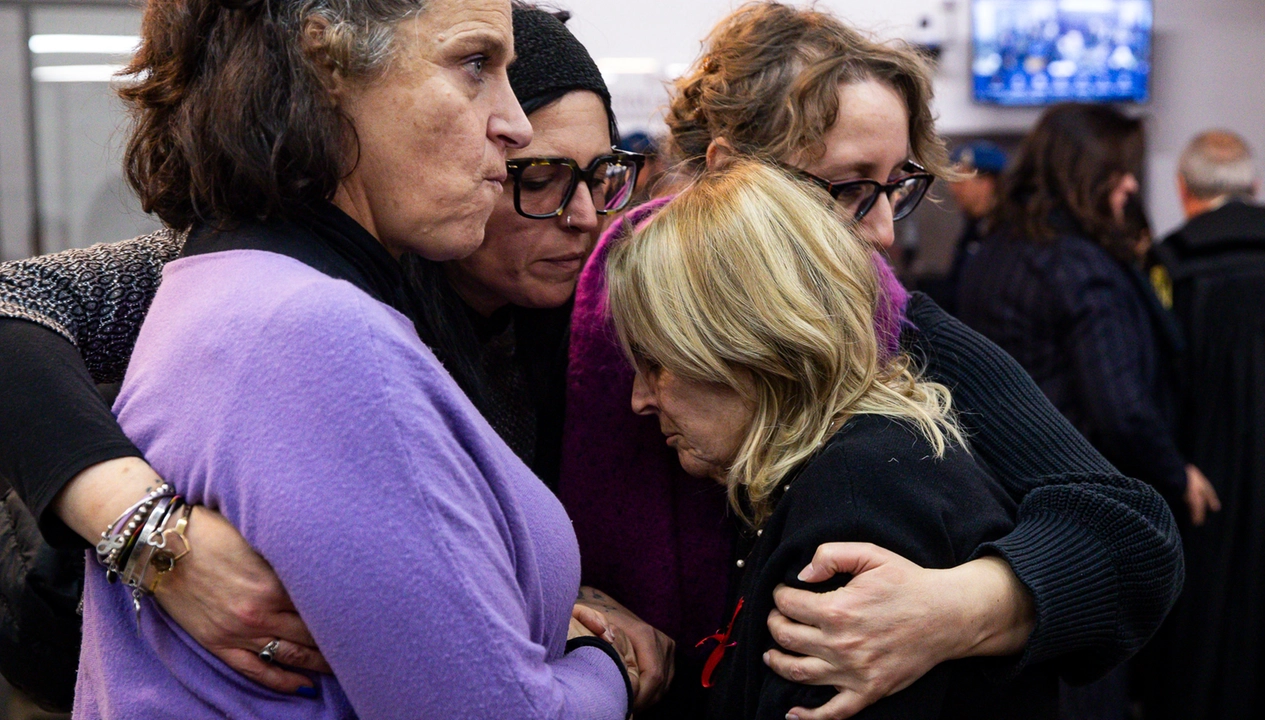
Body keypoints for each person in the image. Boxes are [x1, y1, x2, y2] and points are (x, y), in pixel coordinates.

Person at [0, 3, 664, 714]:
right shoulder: (307, 311)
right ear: (328, 68)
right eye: (541, 177)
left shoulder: (261, 282)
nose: (584, 215)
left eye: (602, 176)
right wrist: (150, 534)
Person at [561, 4, 1182, 719]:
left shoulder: (897, 331)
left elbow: (1133, 536)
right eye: (851, 189)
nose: (885, 232)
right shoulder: (592, 295)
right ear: (733, 176)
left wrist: (952, 607)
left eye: (897, 188)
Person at [609, 160, 1058, 719]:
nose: (640, 398)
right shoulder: (856, 459)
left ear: (748, 348)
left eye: (657, 363)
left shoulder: (858, 491)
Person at [953, 103, 1194, 720]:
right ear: (1088, 172)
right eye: (1122, 171)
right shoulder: (1081, 265)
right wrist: (1175, 477)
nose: (1134, 184)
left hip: (998, 509)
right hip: (1077, 523)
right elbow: (1121, 411)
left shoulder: (999, 247)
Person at [1143, 130, 1265, 720]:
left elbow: (1153, 377)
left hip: (1203, 473)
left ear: (1184, 189)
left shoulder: (1170, 263)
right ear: (1253, 186)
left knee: (1206, 614)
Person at [923, 141, 1006, 313]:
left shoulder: (1007, 235)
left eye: (961, 180)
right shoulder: (974, 229)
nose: (953, 188)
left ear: (987, 183)